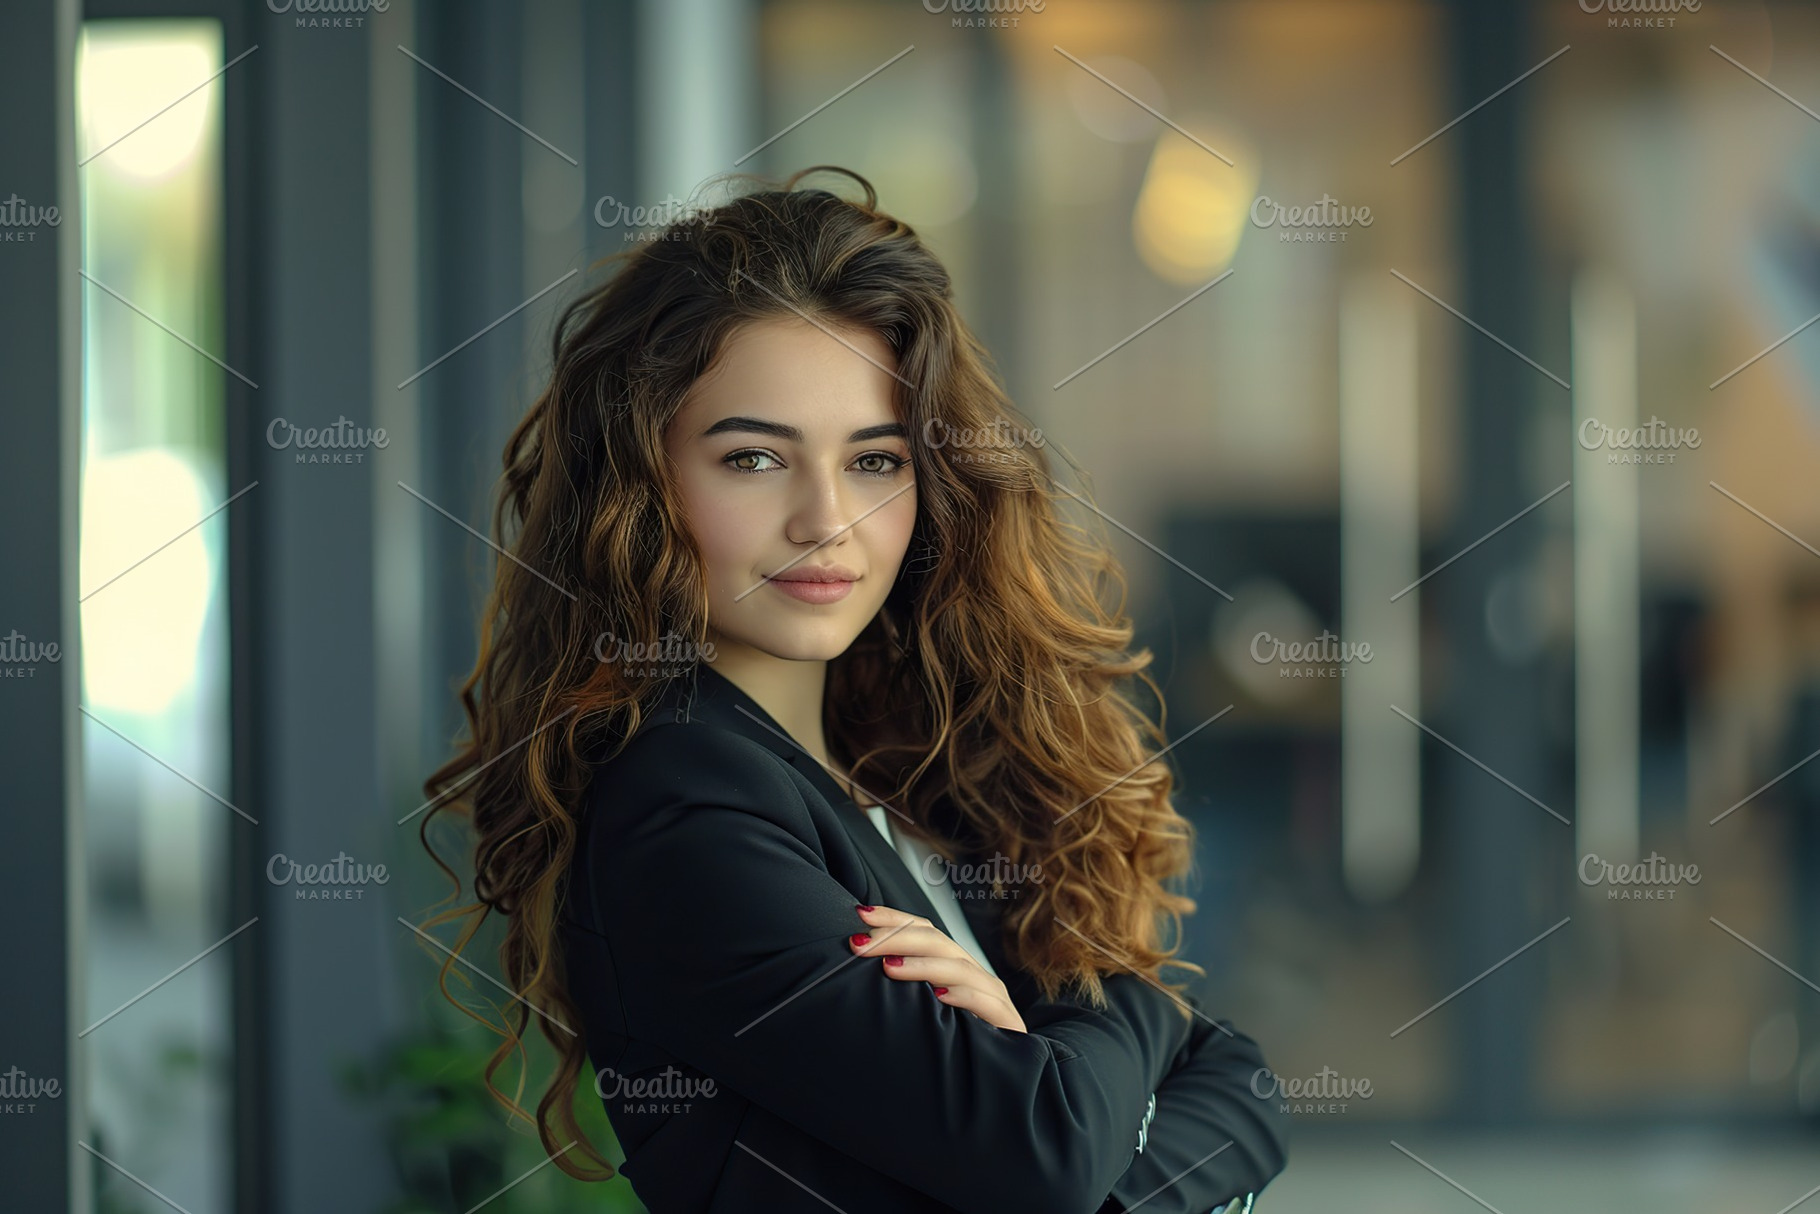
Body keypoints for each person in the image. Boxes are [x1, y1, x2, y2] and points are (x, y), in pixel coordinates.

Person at [421, 166, 1288, 1213]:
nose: (824, 518)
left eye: (874, 460)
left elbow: (1244, 1087)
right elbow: (1050, 1150)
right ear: (641, 482)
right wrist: (1118, 1023)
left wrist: (1067, 1070)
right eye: (752, 458)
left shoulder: (900, 772)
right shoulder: (684, 807)